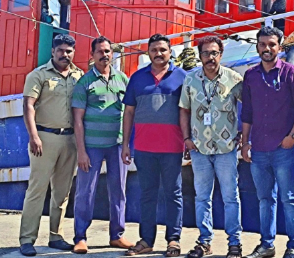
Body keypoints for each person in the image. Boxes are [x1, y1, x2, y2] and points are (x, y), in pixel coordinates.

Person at [241, 27, 294, 258]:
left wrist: (292, 137)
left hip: (283, 148)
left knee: (289, 198)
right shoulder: (250, 75)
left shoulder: (292, 73)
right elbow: (247, 112)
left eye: (271, 44)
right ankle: (267, 245)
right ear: (257, 46)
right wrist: (245, 143)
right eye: (262, 44)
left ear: (280, 47)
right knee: (264, 199)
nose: (267, 49)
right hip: (258, 148)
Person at [18, 34, 84, 257]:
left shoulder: (79, 75)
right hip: (45, 138)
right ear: (53, 51)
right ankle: (27, 239)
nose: (65, 55)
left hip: (71, 140)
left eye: (69, 51)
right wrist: (33, 136)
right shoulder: (38, 75)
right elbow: (28, 106)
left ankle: (56, 236)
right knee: (37, 190)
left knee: (62, 192)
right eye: (61, 50)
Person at [122, 34, 188, 257]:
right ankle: (146, 240)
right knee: (147, 194)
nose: (158, 54)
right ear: (147, 52)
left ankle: (173, 240)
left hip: (173, 148)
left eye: (163, 49)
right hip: (144, 148)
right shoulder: (137, 78)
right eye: (154, 50)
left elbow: (186, 112)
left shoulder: (182, 77)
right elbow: (128, 112)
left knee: (173, 194)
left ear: (170, 52)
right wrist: (125, 145)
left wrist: (188, 139)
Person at [179, 36, 244, 258]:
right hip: (199, 147)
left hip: (226, 148)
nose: (210, 57)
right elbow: (184, 110)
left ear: (221, 54)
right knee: (202, 197)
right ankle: (204, 242)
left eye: (214, 53)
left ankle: (234, 242)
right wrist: (186, 138)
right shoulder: (190, 80)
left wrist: (245, 132)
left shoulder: (234, 79)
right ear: (200, 56)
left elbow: (250, 106)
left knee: (230, 197)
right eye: (206, 53)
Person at [71, 36, 133, 254]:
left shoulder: (123, 80)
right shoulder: (84, 83)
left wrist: (126, 145)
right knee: (85, 192)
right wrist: (81, 151)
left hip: (116, 145)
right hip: (91, 147)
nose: (104, 55)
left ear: (112, 54)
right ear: (92, 55)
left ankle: (117, 235)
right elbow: (77, 120)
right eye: (100, 51)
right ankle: (80, 237)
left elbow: (128, 113)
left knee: (118, 190)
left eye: (108, 51)